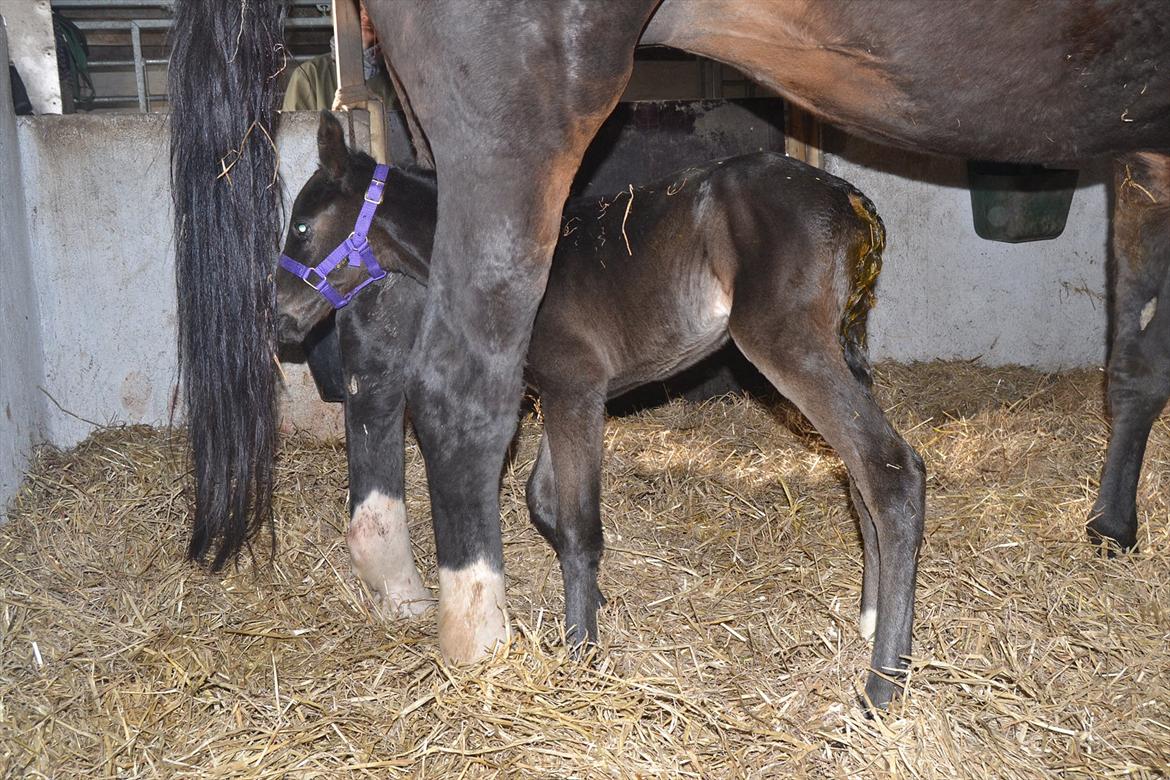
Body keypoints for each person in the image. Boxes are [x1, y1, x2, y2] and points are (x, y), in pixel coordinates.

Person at [282, 1, 396, 112]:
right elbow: (294, 129)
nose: (365, 15)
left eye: (371, 10)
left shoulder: (401, 78)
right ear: (338, 17)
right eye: (359, 8)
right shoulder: (309, 75)